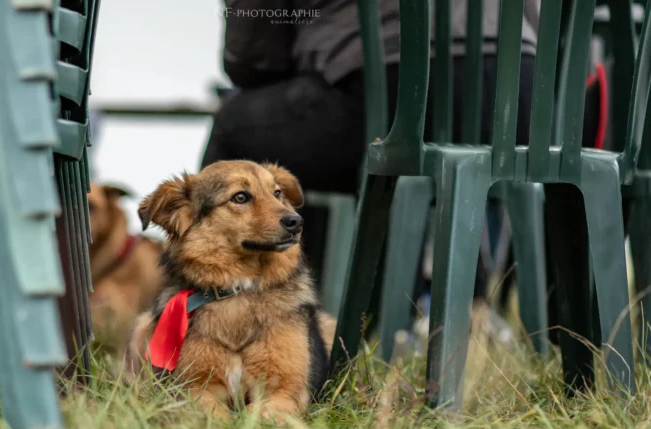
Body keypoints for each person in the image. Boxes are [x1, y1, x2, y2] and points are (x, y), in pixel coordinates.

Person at [202, 1, 542, 339]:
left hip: (390, 88)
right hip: (517, 98)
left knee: (234, 128)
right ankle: (560, 338)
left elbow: (253, 55)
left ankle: (207, 323)